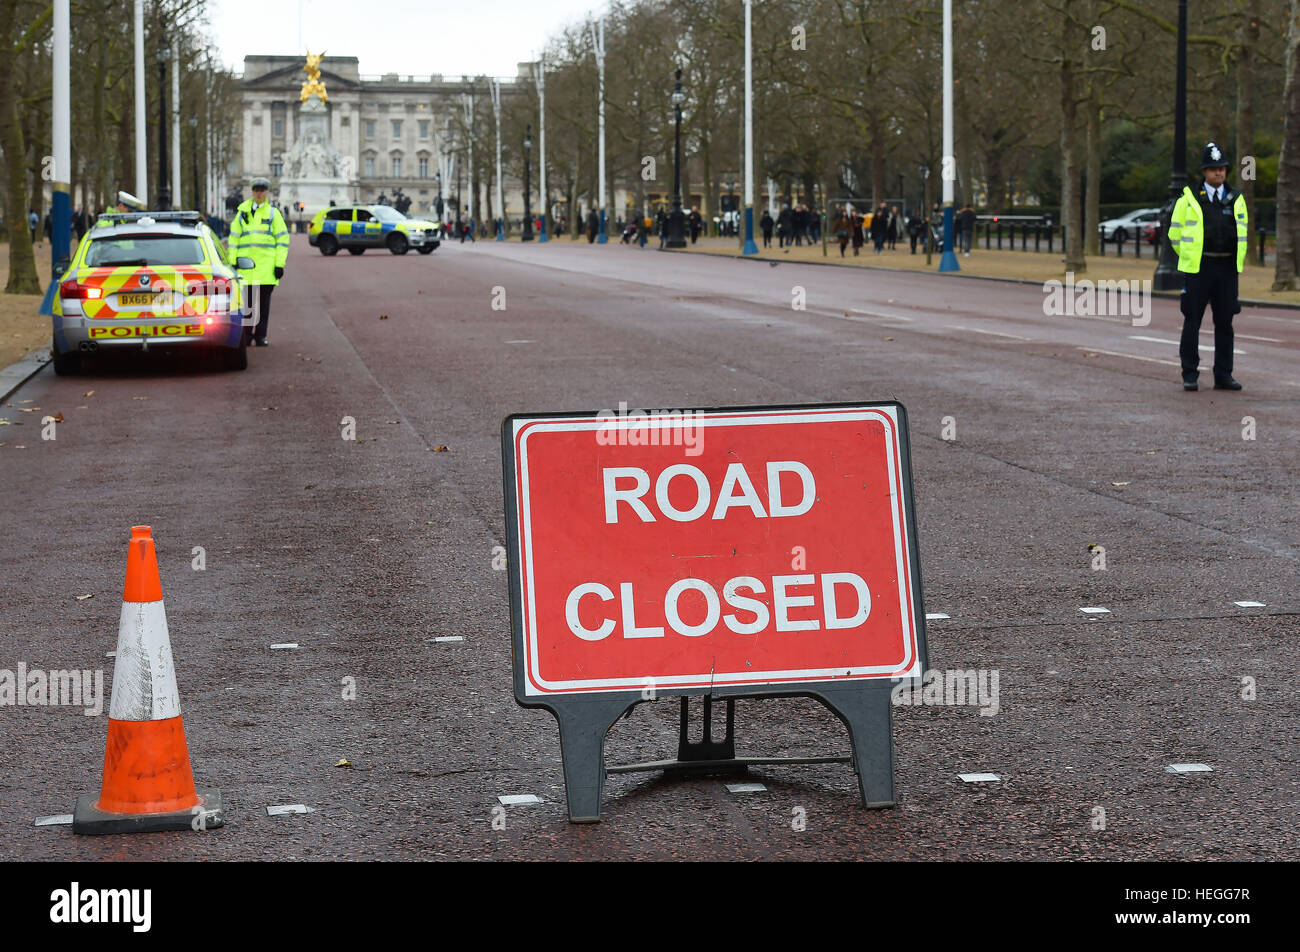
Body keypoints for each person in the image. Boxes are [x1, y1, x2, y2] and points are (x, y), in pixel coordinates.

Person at [1169, 142, 1248, 391]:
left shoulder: (1236, 198)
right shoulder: (1189, 197)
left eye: (1222, 168)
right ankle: (1190, 374)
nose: (1219, 173)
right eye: (1213, 169)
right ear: (1204, 171)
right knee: (1192, 320)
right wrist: (1191, 258)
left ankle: (1224, 374)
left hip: (1226, 268)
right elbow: (1175, 235)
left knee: (1225, 323)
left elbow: (1244, 235)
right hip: (1199, 268)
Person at [227, 176, 289, 347]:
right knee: (247, 305)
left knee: (263, 305)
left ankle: (261, 336)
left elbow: (282, 241)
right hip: (245, 267)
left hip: (266, 268)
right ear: (252, 192)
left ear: (266, 192)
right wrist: (233, 261)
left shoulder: (273, 213)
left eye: (262, 190)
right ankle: (247, 335)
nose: (259, 193)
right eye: (256, 190)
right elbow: (234, 239)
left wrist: (279, 264)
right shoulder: (242, 213)